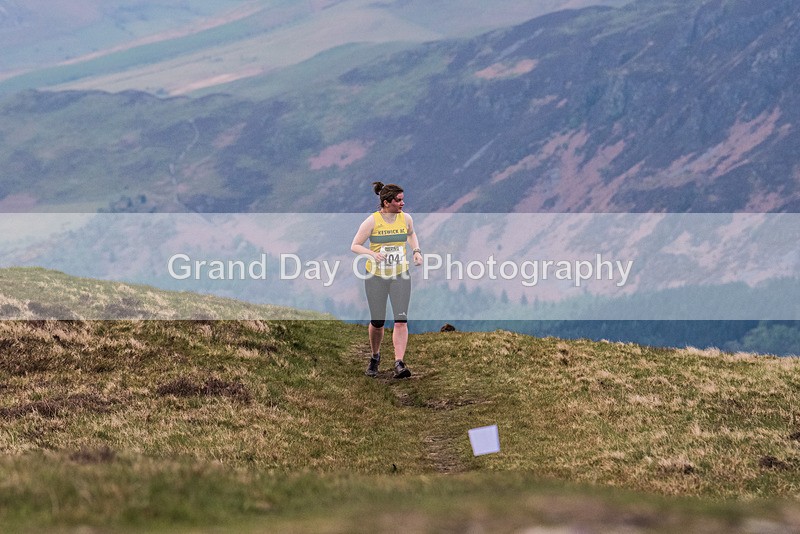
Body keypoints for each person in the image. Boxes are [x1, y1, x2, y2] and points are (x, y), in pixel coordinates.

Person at [351, 182, 423, 378]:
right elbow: (355, 245)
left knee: (401, 319)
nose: (403, 203)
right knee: (378, 321)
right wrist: (371, 254)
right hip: (376, 276)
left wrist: (416, 251)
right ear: (386, 202)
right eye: (398, 200)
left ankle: (399, 362)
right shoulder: (372, 222)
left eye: (402, 199)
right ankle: (375, 357)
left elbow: (411, 233)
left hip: (400, 274)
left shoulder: (406, 218)